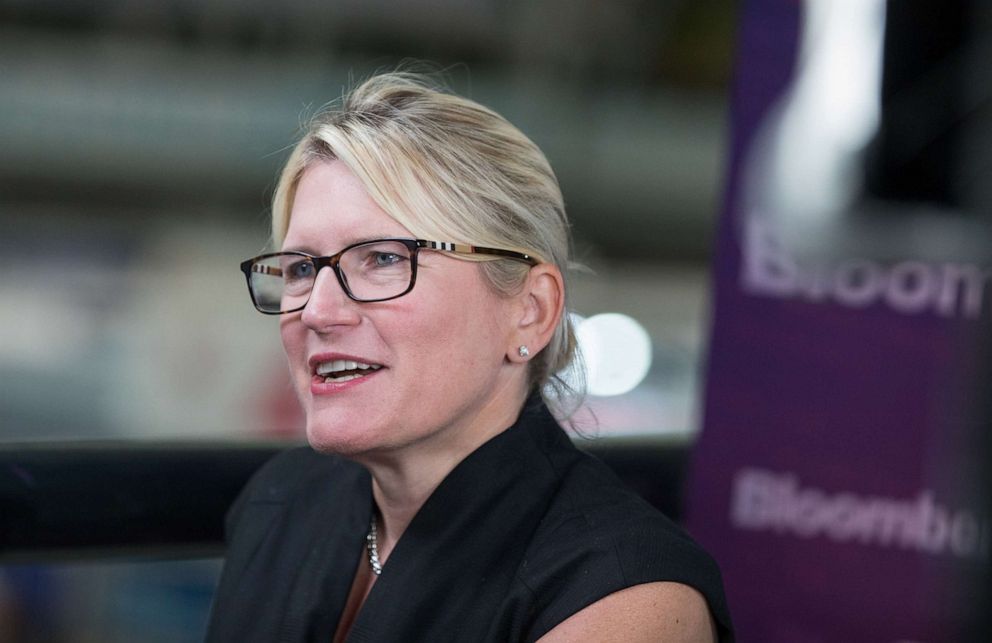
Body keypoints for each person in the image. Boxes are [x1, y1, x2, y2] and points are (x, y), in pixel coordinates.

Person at [208, 71, 733, 642]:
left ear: (530, 310)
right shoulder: (280, 505)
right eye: (302, 268)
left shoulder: (620, 599)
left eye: (384, 259)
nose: (317, 311)